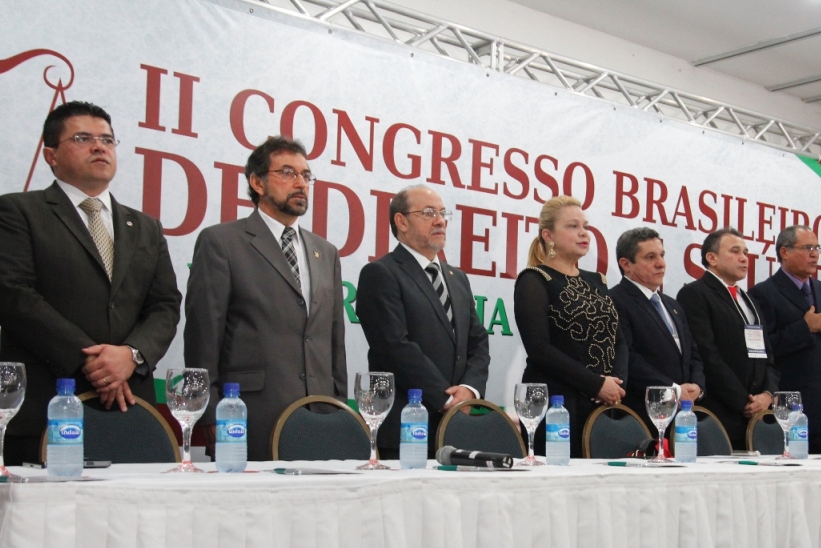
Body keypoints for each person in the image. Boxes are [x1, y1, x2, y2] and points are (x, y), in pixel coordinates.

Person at [0, 101, 180, 464]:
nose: (100, 147)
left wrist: (130, 355)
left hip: (130, 409)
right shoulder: (17, 212)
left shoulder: (145, 227)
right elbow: (12, 297)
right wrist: (91, 360)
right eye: (83, 138)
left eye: (108, 140)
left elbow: (165, 305)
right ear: (50, 155)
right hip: (43, 405)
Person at [184, 136, 347, 460]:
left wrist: (339, 406)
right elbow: (203, 336)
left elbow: (333, 340)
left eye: (306, 175)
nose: (300, 183)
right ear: (257, 182)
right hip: (248, 415)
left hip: (321, 416)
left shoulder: (325, 252)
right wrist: (209, 411)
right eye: (287, 173)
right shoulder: (222, 242)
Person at [355, 185, 490, 459]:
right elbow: (394, 347)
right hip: (406, 424)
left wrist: (469, 390)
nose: (440, 220)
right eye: (428, 213)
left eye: (442, 213)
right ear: (401, 221)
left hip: (458, 426)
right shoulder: (381, 273)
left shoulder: (457, 278)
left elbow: (477, 341)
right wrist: (446, 399)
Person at [514, 196, 627, 457]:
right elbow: (539, 348)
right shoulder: (535, 279)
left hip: (603, 402)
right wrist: (596, 383)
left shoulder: (597, 280)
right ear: (548, 235)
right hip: (556, 402)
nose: (583, 233)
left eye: (585, 226)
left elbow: (618, 340)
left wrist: (616, 385)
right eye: (573, 226)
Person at [748, 224, 821, 453]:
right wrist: (804, 328)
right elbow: (765, 350)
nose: (815, 254)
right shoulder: (763, 293)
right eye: (807, 247)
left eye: (817, 247)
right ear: (784, 252)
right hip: (793, 410)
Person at [677, 229, 778, 449]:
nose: (744, 258)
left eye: (745, 252)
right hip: (721, 413)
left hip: (758, 415)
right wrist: (744, 401)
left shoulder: (748, 298)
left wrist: (767, 395)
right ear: (711, 258)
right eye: (735, 251)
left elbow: (767, 353)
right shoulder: (696, 294)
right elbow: (707, 354)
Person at [610, 227, 705, 436]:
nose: (661, 263)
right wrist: (673, 389)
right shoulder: (614, 300)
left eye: (661, 255)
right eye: (650, 257)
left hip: (683, 415)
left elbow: (693, 353)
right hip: (641, 417)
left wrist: (697, 386)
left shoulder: (673, 305)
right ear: (626, 264)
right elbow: (628, 358)